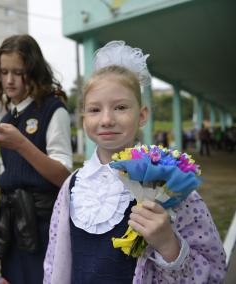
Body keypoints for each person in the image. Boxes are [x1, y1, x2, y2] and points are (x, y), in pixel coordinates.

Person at [43, 41, 226, 283]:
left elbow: (214, 271)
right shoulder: (73, 186)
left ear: (142, 116)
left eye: (120, 107)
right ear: (83, 119)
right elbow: (55, 262)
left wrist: (168, 244)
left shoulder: (167, 183)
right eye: (95, 110)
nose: (106, 119)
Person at [0, 34, 73, 284]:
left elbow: (64, 176)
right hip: (11, 222)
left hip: (43, 223)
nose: (9, 80)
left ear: (33, 71)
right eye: (4, 72)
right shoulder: (8, 119)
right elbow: (8, 172)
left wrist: (21, 143)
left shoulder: (53, 110)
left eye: (18, 72)